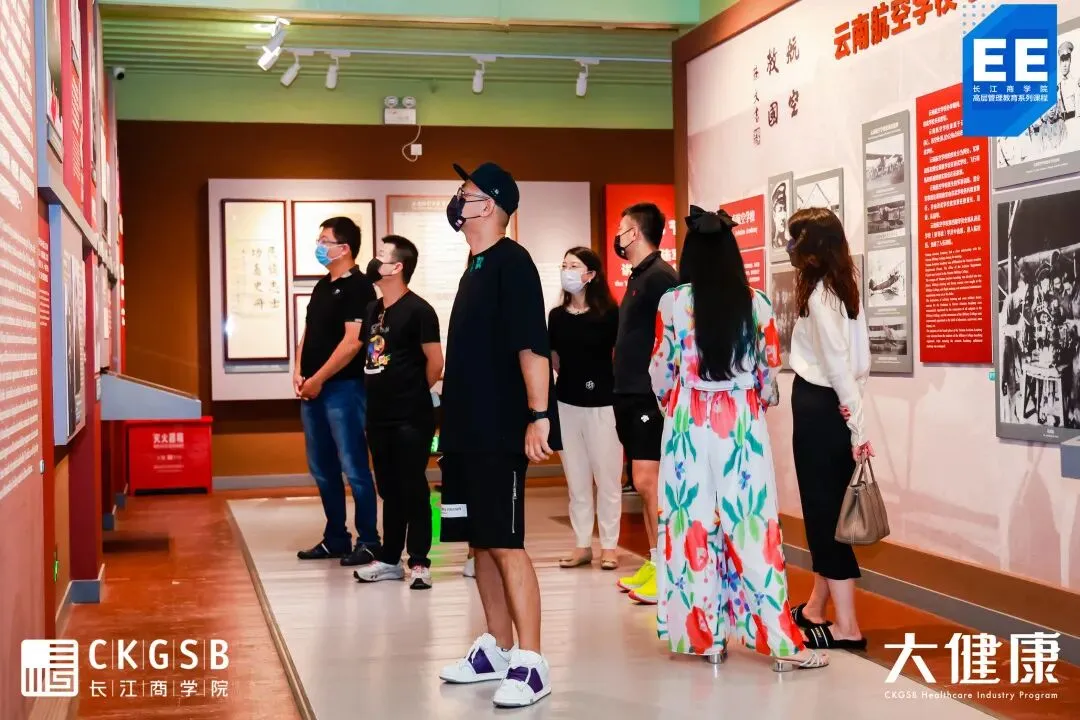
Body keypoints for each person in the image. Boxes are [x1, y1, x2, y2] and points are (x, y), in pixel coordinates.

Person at [650, 206, 826, 671]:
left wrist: (676, 406)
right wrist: (753, 400)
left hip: (687, 426)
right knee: (752, 526)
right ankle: (781, 645)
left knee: (691, 525)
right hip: (741, 426)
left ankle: (704, 638)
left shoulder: (672, 303)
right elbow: (770, 373)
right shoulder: (757, 303)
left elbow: (661, 370)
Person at [437, 162, 561, 708]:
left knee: (507, 542)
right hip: (463, 430)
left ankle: (532, 662)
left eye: (464, 192)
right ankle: (496, 647)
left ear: (487, 204)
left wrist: (539, 414)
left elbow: (531, 345)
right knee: (479, 539)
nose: (457, 200)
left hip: (497, 428)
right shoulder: (476, 264)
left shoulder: (513, 262)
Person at [785, 207, 873, 651]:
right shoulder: (842, 287)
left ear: (813, 249)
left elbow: (838, 365)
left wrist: (857, 427)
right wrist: (854, 416)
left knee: (825, 516)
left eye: (795, 240)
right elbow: (858, 362)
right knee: (829, 511)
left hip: (820, 406)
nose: (789, 248)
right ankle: (817, 608)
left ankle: (848, 627)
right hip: (832, 405)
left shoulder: (821, 296)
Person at [352, 235, 443, 590]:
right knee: (388, 487)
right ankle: (390, 558)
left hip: (411, 416)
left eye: (381, 256)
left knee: (412, 485)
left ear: (398, 267)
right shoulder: (373, 310)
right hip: (378, 414)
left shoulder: (419, 310)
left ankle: (419, 561)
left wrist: (412, 392)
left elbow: (435, 362)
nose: (374, 262)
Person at [294, 217, 380, 567]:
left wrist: (319, 379)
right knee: (322, 467)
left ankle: (369, 540)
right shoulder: (321, 286)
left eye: (325, 240)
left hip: (344, 389)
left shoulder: (359, 287)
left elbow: (352, 342)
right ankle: (335, 538)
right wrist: (299, 371)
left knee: (355, 467)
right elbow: (309, 331)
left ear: (344, 248)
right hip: (313, 390)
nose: (319, 246)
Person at [612, 203, 678, 605]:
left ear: (634, 233)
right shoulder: (639, 276)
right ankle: (655, 561)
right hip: (629, 392)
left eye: (622, 228)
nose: (618, 236)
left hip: (648, 396)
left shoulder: (662, 277)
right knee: (642, 482)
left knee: (650, 482)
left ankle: (668, 571)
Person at [549, 247, 622, 570]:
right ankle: (582, 544)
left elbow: (618, 355)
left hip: (604, 403)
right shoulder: (556, 316)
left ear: (590, 274)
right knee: (576, 479)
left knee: (607, 478)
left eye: (574, 265)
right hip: (566, 402)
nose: (567, 271)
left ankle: (609, 546)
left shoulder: (609, 313)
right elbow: (554, 359)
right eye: (564, 265)